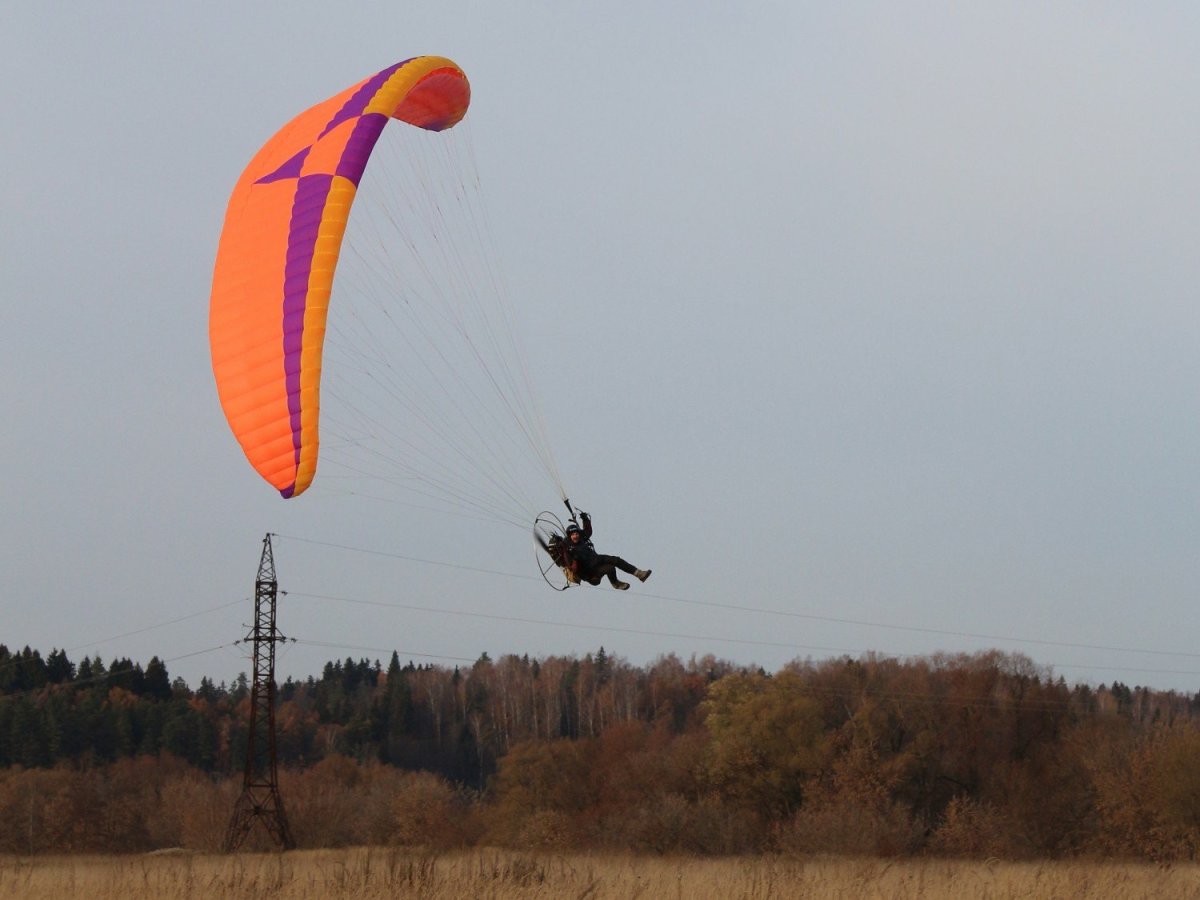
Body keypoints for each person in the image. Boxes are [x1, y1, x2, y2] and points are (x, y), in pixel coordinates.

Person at [561, 512, 650, 590]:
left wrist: (585, 519)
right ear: (569, 536)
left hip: (595, 560)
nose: (575, 536)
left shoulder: (582, 538)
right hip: (590, 573)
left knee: (614, 563)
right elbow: (569, 564)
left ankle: (638, 574)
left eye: (576, 534)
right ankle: (616, 583)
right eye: (573, 535)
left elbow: (587, 531)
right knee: (611, 565)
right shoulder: (568, 547)